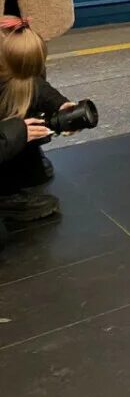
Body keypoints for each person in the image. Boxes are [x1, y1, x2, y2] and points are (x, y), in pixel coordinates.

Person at [0, 18, 77, 245]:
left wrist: (63, 108)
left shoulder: (22, 81)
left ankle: (7, 195)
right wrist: (16, 132)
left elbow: (38, 89)